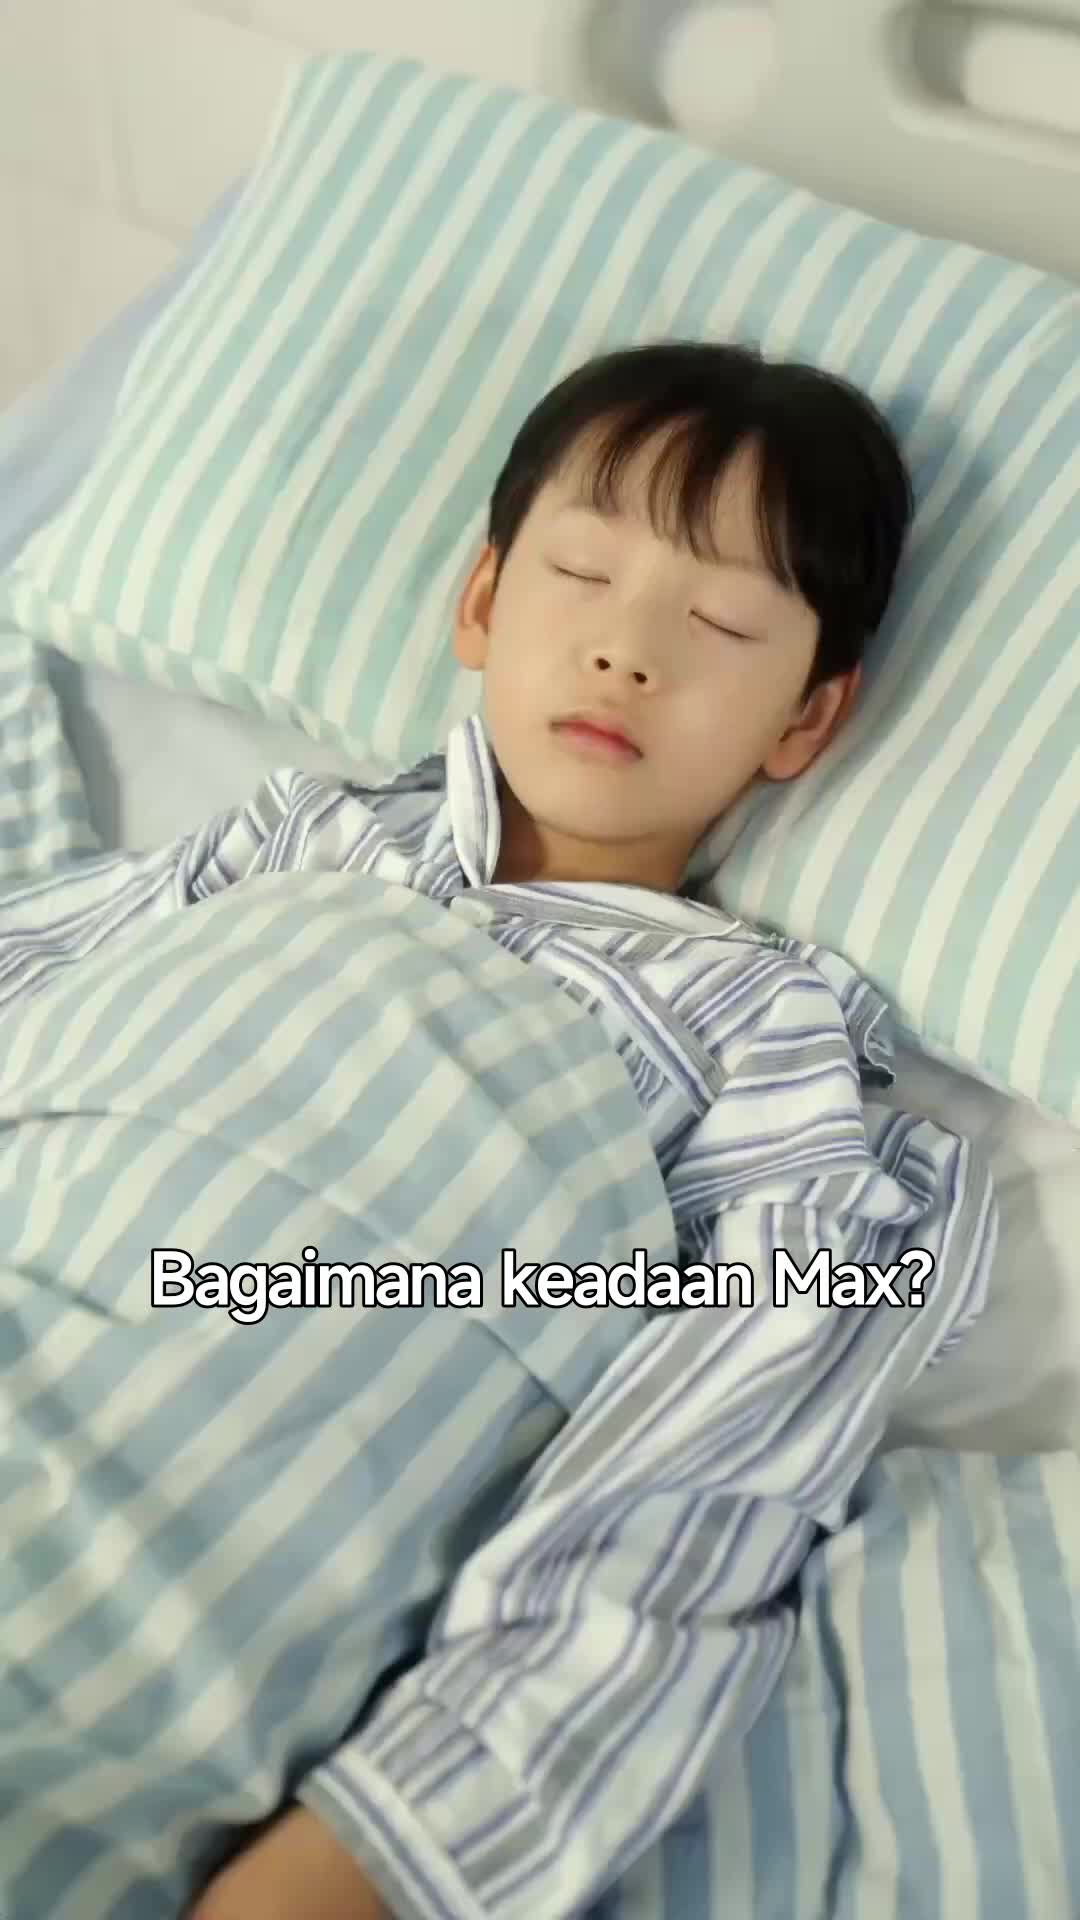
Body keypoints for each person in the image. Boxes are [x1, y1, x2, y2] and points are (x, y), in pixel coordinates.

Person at [0, 343, 995, 1920]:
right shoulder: (296, 837)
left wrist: (362, 1865)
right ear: (480, 600)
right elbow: (40, 967)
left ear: (806, 720)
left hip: (171, 1533)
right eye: (583, 575)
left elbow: (696, 1491)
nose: (624, 652)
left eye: (721, 626)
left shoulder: (767, 1046)